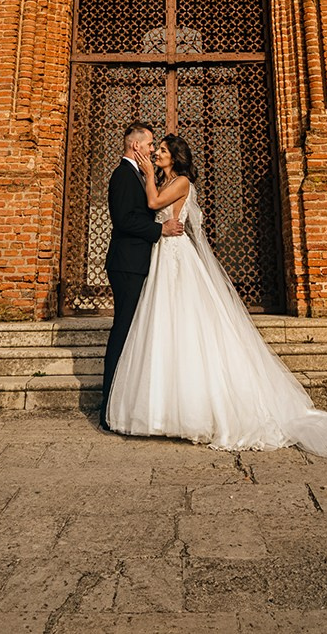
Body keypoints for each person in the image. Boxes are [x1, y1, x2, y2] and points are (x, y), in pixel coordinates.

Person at [103, 131, 327, 460]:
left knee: (184, 321)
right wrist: (152, 178)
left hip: (175, 256)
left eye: (161, 150)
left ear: (175, 157)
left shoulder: (179, 182)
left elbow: (153, 205)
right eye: (154, 148)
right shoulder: (156, 180)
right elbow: (149, 210)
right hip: (161, 255)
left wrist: (149, 174)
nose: (156, 153)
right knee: (163, 326)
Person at [98, 121, 182, 429]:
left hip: (137, 262)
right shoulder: (122, 175)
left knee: (132, 332)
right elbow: (123, 220)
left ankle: (125, 399)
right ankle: (108, 404)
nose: (152, 150)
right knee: (122, 331)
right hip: (126, 264)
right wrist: (160, 229)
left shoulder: (136, 174)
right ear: (136, 146)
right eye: (149, 145)